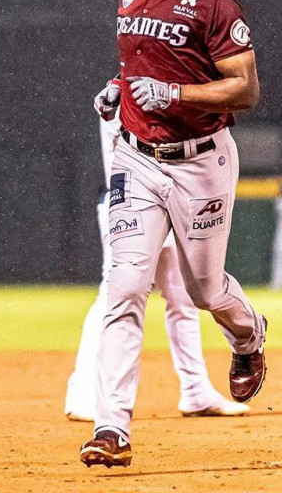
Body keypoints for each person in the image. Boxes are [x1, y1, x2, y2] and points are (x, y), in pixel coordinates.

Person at [79, 0, 267, 469]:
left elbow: (247, 89)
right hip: (136, 159)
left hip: (199, 161)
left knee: (205, 291)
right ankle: (111, 426)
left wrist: (178, 95)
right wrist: (119, 87)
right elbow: (141, 62)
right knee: (125, 286)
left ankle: (248, 335)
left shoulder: (217, 6)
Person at [65, 108, 248, 421]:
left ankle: (196, 390)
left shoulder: (163, 87)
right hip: (130, 202)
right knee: (115, 297)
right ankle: (83, 392)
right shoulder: (124, 92)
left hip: (172, 199)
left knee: (183, 301)